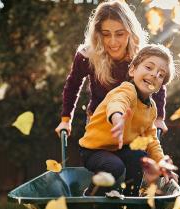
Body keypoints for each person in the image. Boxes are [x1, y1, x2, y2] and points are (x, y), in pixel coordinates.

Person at [55, 0, 168, 137]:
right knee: (104, 159)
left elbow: (156, 83)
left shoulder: (142, 57)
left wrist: (159, 118)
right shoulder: (88, 56)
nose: (113, 42)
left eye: (119, 34)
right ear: (98, 34)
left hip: (134, 123)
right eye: (106, 34)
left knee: (135, 158)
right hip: (99, 123)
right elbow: (73, 84)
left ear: (130, 32)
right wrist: (66, 119)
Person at [78, 44, 177, 196]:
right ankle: (91, 196)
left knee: (140, 158)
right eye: (149, 67)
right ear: (132, 70)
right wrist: (118, 119)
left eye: (161, 74)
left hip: (118, 149)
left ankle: (131, 197)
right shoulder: (126, 90)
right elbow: (118, 102)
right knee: (114, 166)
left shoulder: (151, 109)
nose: (154, 75)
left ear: (160, 87)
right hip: (94, 149)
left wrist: (163, 165)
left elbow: (151, 140)